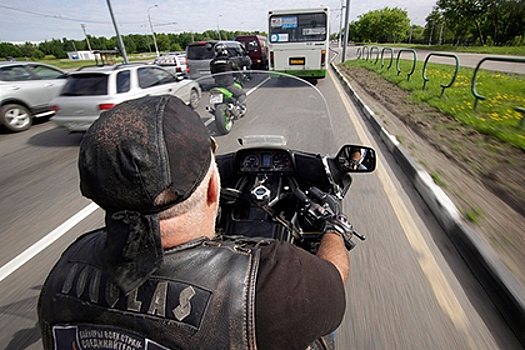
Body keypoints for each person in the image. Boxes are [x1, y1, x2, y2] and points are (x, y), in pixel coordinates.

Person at [38, 95, 350, 350]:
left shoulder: (64, 268)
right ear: (214, 185)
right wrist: (334, 226)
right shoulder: (271, 283)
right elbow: (335, 279)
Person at [210, 43, 247, 111]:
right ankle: (240, 107)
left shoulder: (212, 63)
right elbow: (237, 71)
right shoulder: (229, 62)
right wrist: (242, 76)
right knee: (242, 94)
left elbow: (213, 74)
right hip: (228, 85)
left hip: (217, 85)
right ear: (225, 51)